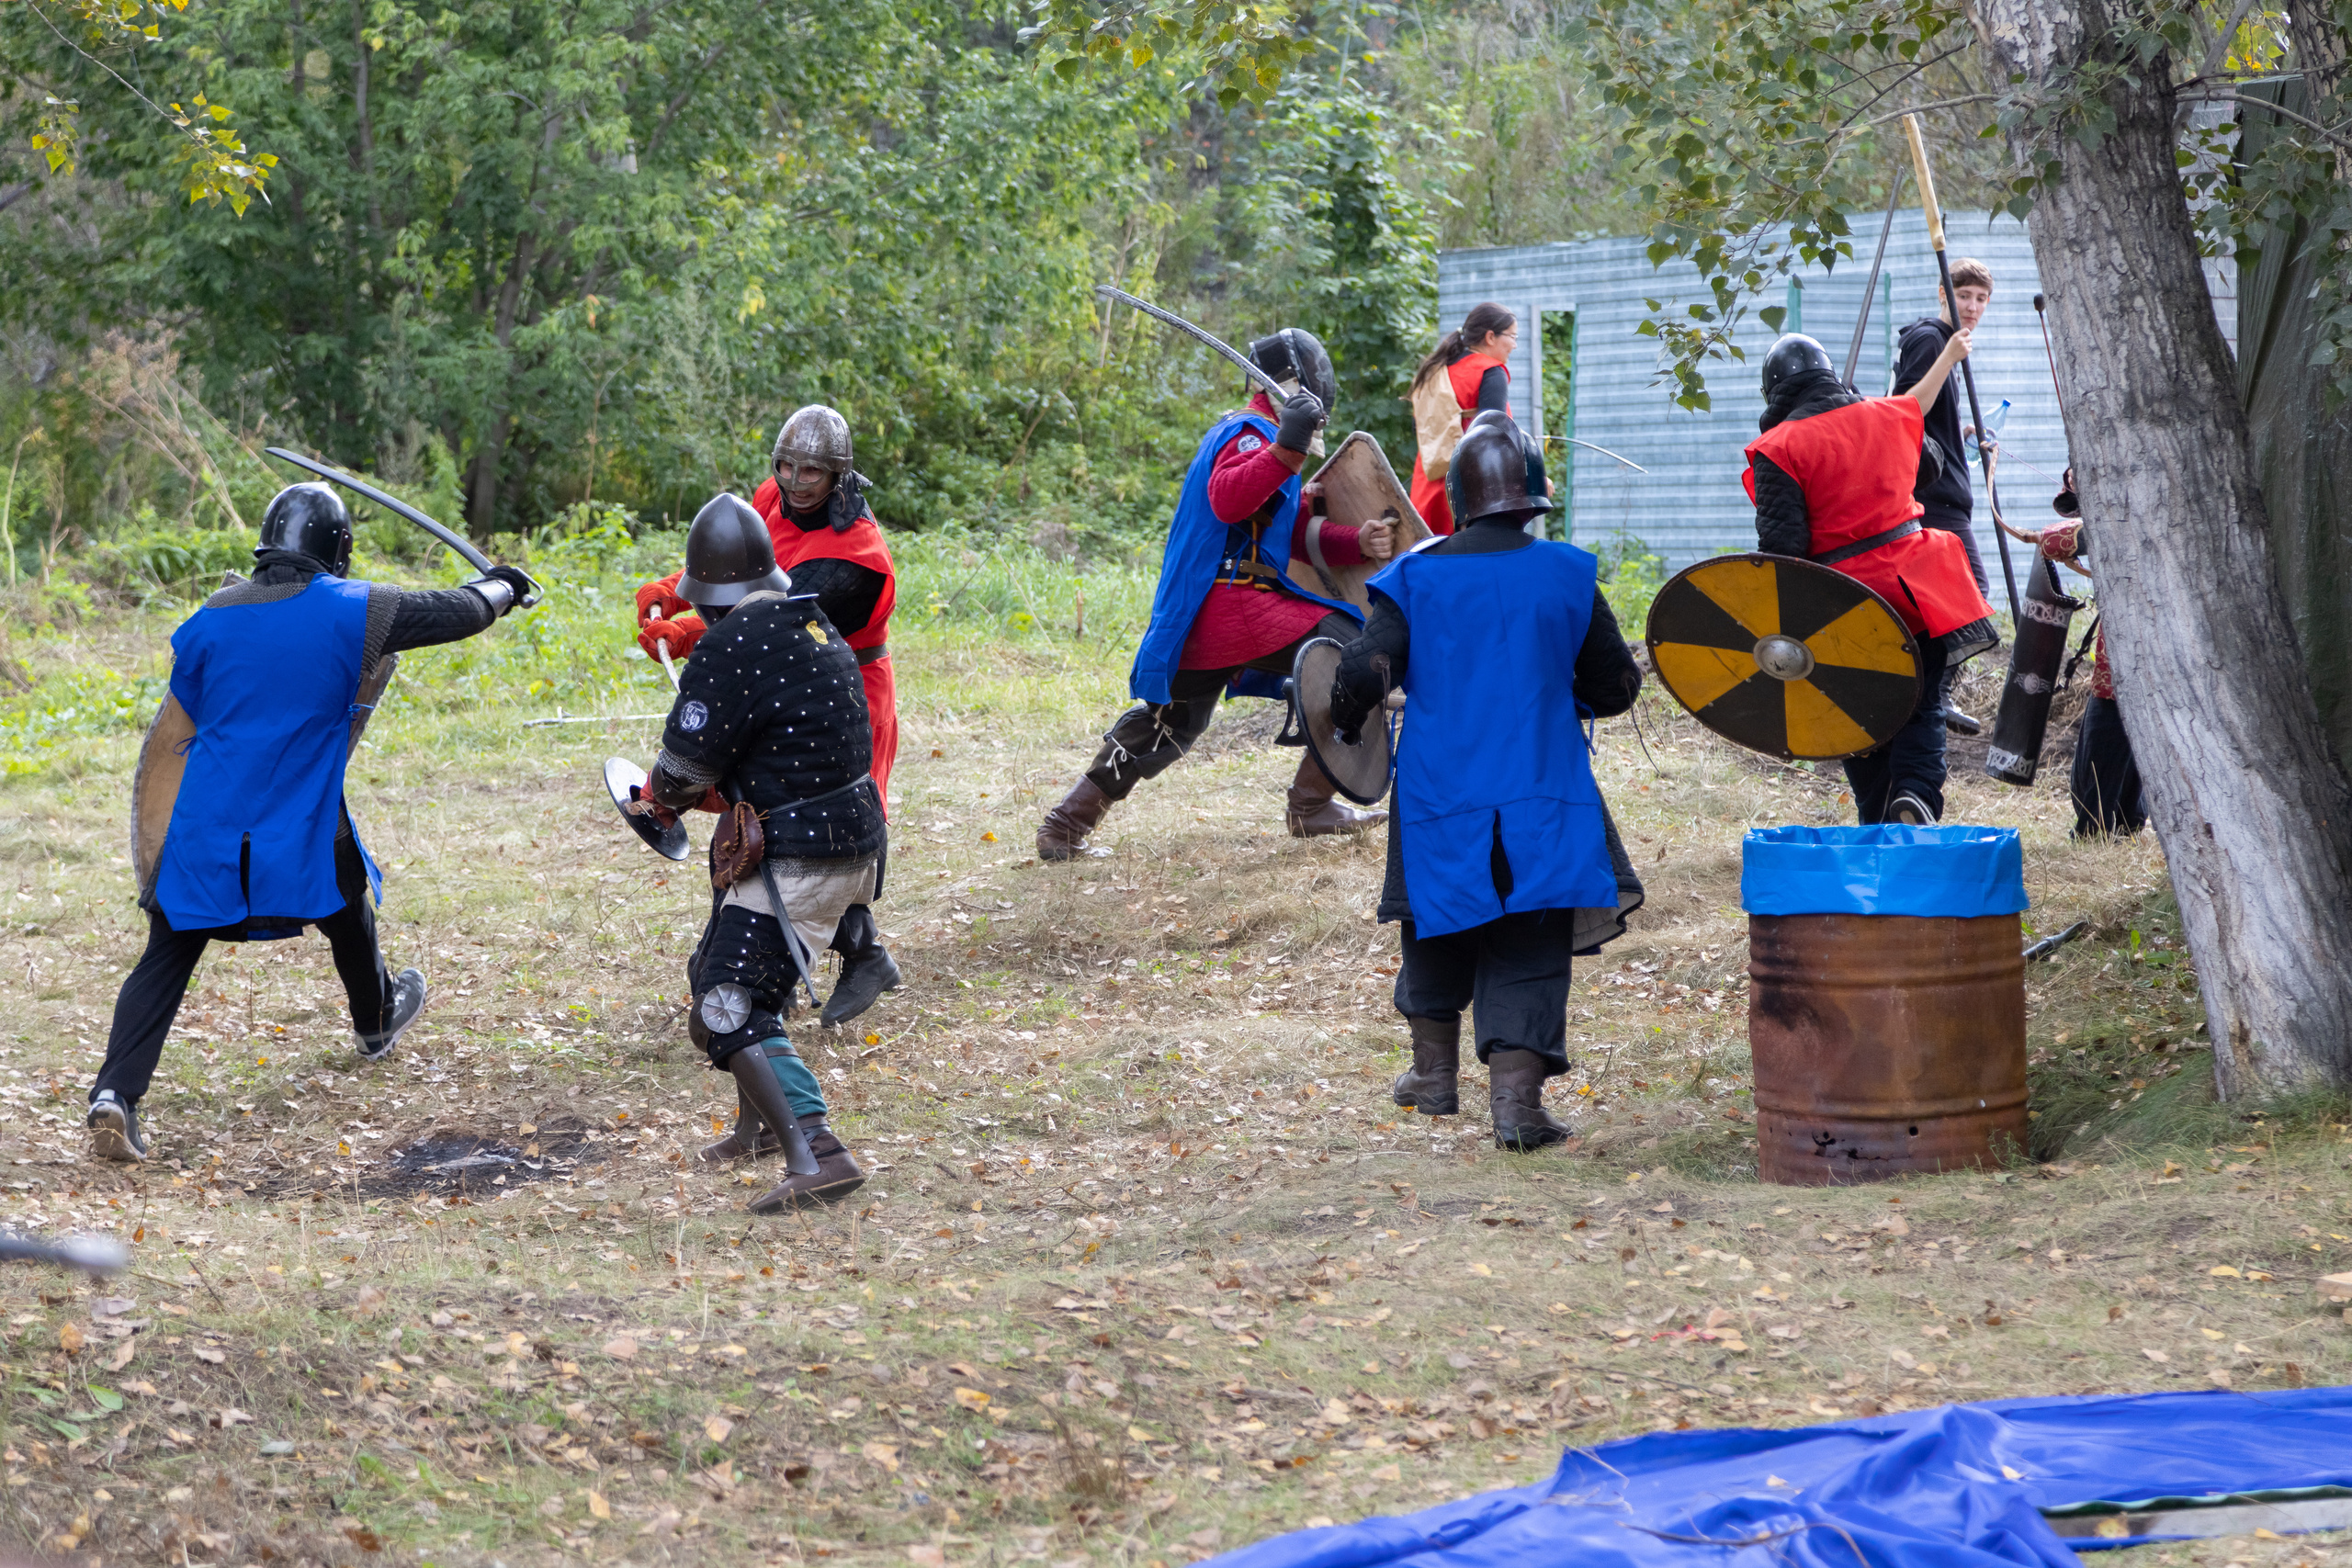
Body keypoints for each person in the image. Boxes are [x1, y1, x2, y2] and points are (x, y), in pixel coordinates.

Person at [86, 483, 532, 1163]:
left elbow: (184, 722)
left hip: (206, 823)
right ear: (336, 552)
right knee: (343, 894)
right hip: (294, 820)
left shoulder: (210, 617)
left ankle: (114, 1094)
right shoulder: (354, 609)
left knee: (169, 952)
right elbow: (461, 611)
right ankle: (375, 1019)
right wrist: (502, 587)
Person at [1328, 418, 1642, 1149]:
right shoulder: (1568, 572)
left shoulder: (1417, 577)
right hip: (1543, 784)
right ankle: (1516, 1107)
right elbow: (1616, 684)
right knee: (1532, 931)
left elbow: (1358, 673)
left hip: (1443, 788)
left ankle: (1432, 1077)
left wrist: (1345, 720)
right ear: (1532, 498)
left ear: (1462, 498)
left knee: (1435, 915)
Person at [1035, 329, 1396, 860]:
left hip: (1208, 617)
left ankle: (1065, 825)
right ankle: (1311, 804)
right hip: (1237, 608)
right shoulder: (1253, 434)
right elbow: (1228, 499)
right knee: (1360, 656)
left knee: (1170, 722)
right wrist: (1287, 449)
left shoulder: (1259, 437)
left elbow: (1285, 532)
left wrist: (1358, 540)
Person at [630, 494, 882, 1210]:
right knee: (718, 969)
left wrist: (656, 798)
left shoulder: (728, 644)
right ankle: (760, 1128)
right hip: (850, 836)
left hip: (798, 852)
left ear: (707, 598)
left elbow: (681, 773)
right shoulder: (809, 618)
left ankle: (817, 1152)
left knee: (728, 1002)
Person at [635, 406, 899, 1025]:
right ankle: (757, 957)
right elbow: (741, 563)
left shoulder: (856, 557)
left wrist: (689, 630)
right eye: (786, 464)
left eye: (811, 470)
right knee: (756, 815)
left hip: (840, 691)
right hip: (767, 676)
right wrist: (672, 588)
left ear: (838, 474)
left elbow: (770, 619)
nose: (795, 478)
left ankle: (832, 959)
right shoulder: (770, 498)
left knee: (813, 822)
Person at [1746, 332, 1997, 826]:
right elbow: (1930, 466)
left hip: (1842, 601)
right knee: (1920, 702)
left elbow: (1784, 552)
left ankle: (1876, 817)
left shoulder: (1777, 447)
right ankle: (1916, 794)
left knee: (1857, 714)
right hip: (1916, 588)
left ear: (1774, 391)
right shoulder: (1889, 413)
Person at [2010, 469, 2143, 837]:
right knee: (2132, 724)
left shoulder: (2129, 501)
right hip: (2143, 634)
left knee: (2111, 722)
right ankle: (2124, 823)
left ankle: (2097, 827)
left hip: (2135, 638)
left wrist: (2044, 537)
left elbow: (2067, 539)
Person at [1894, 261, 1996, 736]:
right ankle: (1930, 693)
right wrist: (1947, 358)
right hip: (1932, 499)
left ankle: (1922, 693)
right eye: (1965, 296)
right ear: (1943, 293)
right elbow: (1904, 409)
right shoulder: (1931, 339)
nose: (1972, 307)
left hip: (1948, 497)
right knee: (1970, 592)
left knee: (1945, 600)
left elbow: (1931, 418)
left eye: (1981, 299)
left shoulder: (1949, 346)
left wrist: (1964, 433)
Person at [1408, 303, 1519, 536]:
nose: (1514, 345)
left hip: (1426, 491)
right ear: (1490, 337)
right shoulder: (1490, 370)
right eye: (1512, 337)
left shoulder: (1435, 371)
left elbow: (1418, 427)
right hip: (1468, 499)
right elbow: (1493, 436)